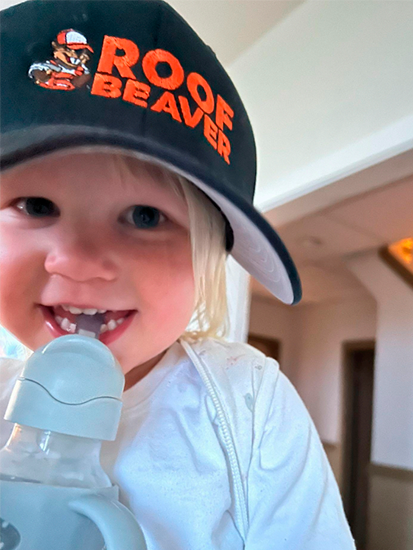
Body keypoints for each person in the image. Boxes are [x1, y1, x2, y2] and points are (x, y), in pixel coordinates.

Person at [0, 1, 356, 548]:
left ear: (206, 260)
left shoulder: (246, 404)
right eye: (36, 205)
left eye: (145, 217)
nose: (79, 260)